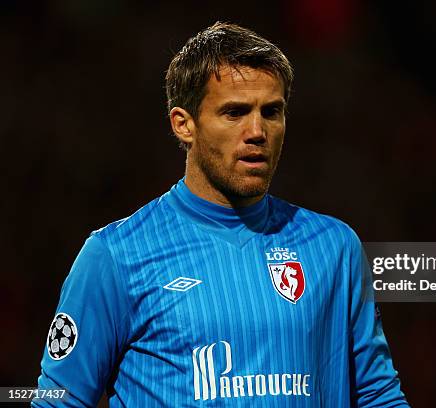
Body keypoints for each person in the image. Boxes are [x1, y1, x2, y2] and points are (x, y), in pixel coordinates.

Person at [34, 22, 409, 407]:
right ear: (184, 125)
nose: (257, 131)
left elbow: (378, 395)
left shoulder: (335, 247)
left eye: (272, 112)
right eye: (234, 112)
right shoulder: (115, 255)